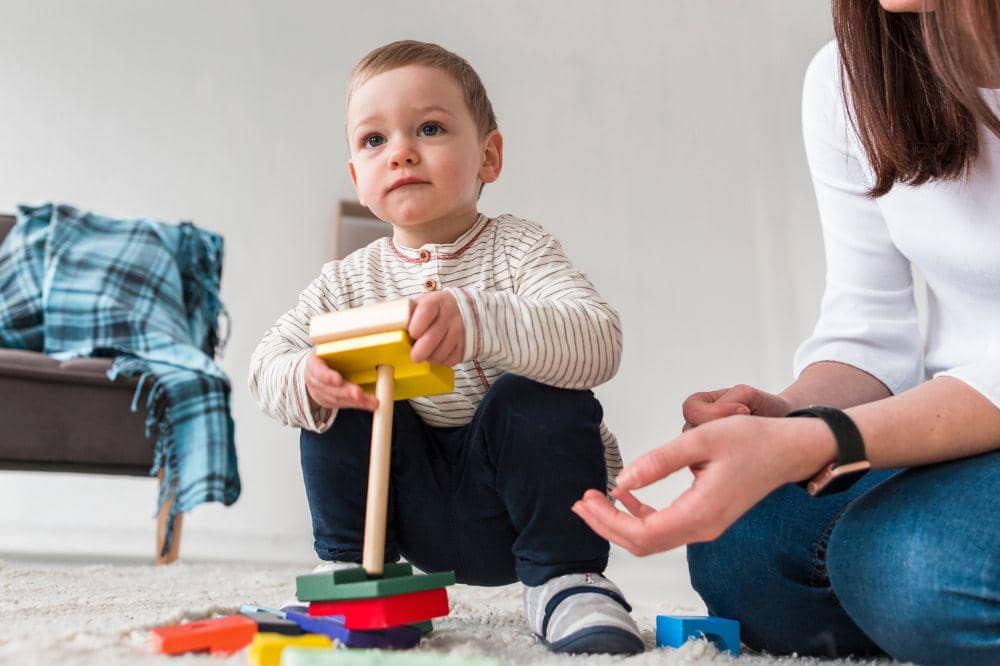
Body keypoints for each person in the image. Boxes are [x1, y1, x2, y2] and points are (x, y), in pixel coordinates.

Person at [572, 1, 1000, 663]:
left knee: (911, 564)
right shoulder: (853, 79)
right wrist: (785, 417)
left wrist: (817, 441)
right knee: (743, 543)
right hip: (962, 434)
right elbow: (870, 329)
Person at [249, 40, 644, 655]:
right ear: (358, 176)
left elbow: (599, 339)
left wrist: (482, 322)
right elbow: (263, 365)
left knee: (537, 394)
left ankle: (569, 582)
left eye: (428, 128)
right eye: (374, 141)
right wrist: (306, 376)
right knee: (339, 394)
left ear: (489, 157)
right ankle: (355, 579)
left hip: (521, 507)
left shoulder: (521, 249)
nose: (401, 150)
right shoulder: (345, 282)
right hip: (406, 507)